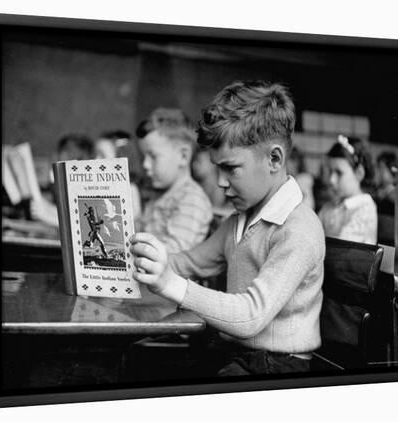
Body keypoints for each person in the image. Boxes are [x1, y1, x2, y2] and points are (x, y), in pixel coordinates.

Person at [130, 81, 325, 376]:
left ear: (274, 159)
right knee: (143, 364)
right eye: (217, 168)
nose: (220, 182)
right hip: (234, 351)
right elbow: (187, 262)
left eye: (230, 168)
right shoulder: (239, 219)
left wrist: (170, 283)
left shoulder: (299, 230)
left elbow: (250, 316)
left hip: (278, 365)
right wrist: (141, 260)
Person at [135, 107, 213, 253]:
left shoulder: (192, 199)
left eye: (153, 156)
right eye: (144, 157)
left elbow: (175, 253)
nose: (145, 165)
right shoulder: (157, 196)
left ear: (183, 156)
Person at [318, 135, 377, 244]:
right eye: (330, 171)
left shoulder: (364, 208)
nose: (331, 180)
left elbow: (343, 251)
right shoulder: (331, 205)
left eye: (339, 173)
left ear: (359, 173)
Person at [31, 133, 94, 226]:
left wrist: (47, 216)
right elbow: (65, 212)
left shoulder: (89, 187)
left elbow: (82, 223)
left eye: (77, 157)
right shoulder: (56, 182)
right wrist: (45, 207)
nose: (70, 157)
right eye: (67, 151)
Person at [93, 130, 142, 219]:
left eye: (102, 155)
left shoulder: (130, 189)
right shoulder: (94, 188)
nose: (96, 159)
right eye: (96, 154)